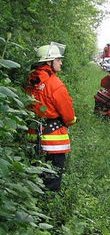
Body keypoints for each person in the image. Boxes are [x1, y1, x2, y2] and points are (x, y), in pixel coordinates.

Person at [26, 42, 76, 191]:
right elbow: (68, 114)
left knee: (34, 173)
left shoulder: (31, 80)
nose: (61, 62)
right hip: (54, 140)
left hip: (33, 135)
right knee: (52, 177)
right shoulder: (55, 83)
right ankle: (49, 204)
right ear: (49, 62)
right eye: (58, 60)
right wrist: (71, 120)